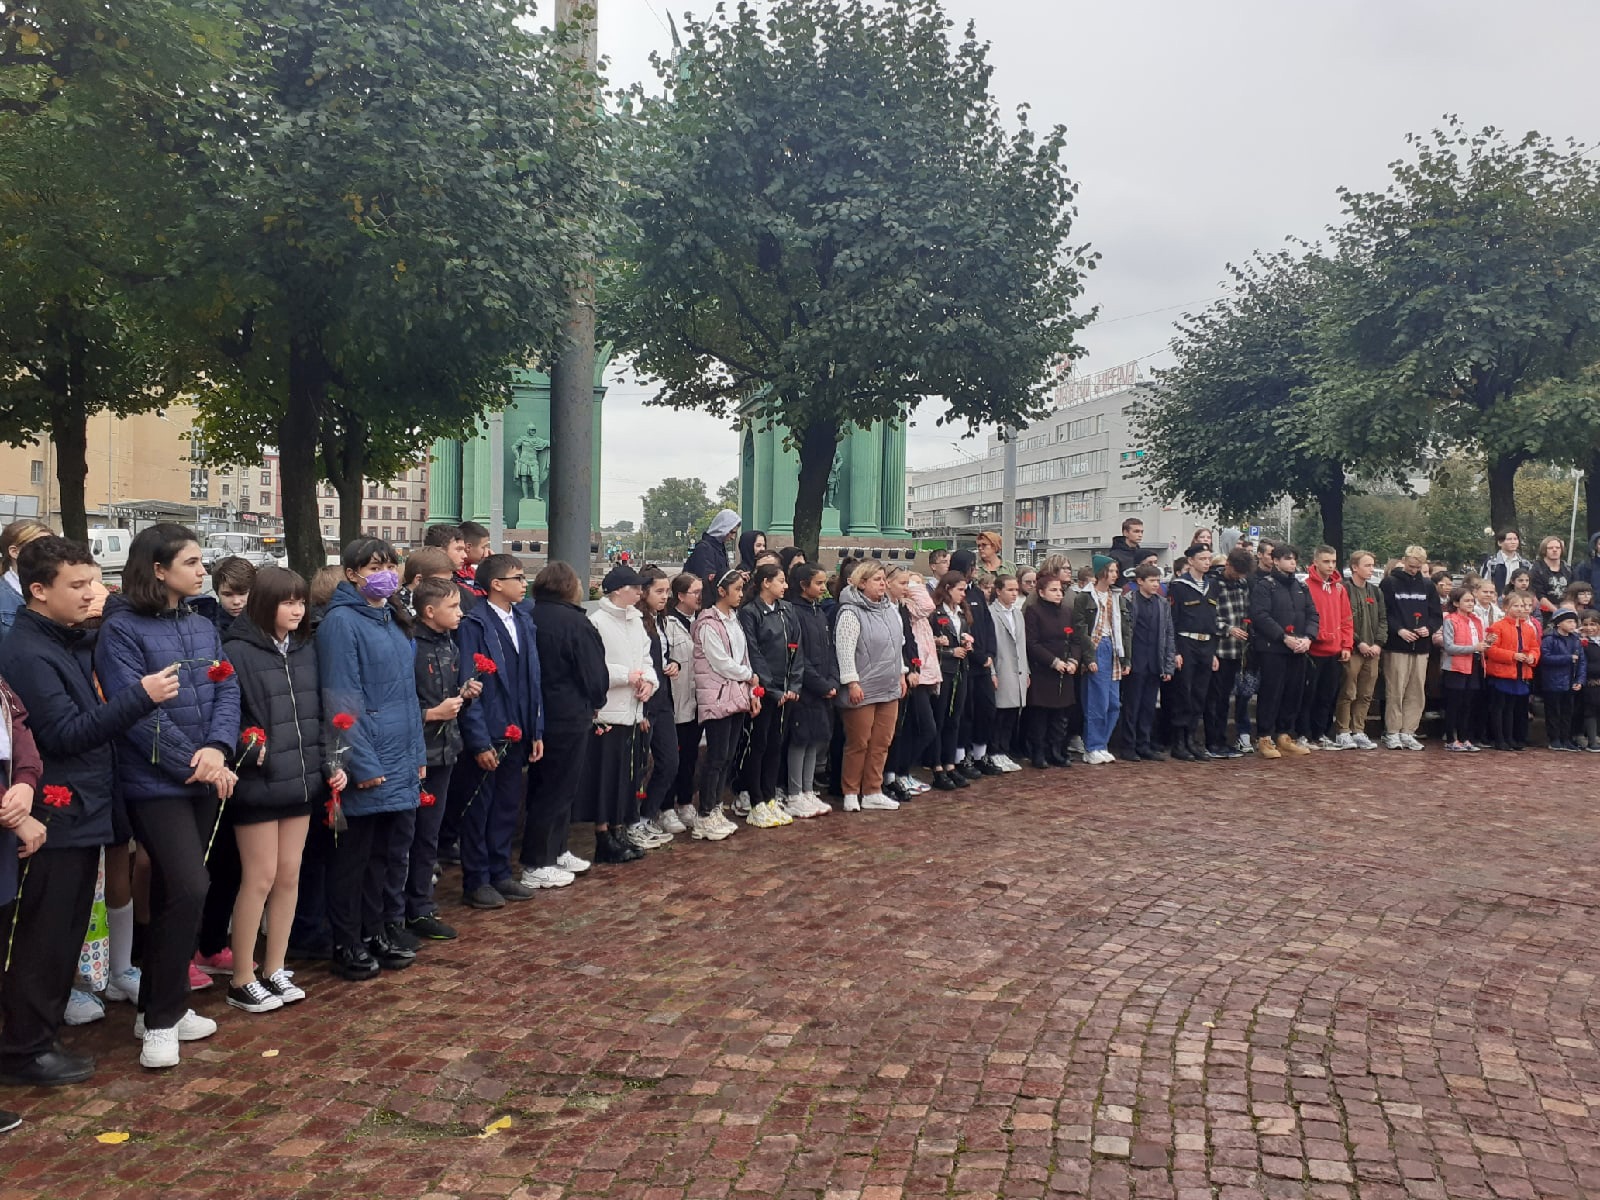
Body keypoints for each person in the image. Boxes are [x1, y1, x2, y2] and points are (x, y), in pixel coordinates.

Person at [0, 538, 173, 1088]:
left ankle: (39, 1037)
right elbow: (64, 734)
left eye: (93, 581)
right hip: (57, 813)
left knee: (65, 930)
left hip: (82, 807)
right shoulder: (28, 652)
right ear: (38, 590)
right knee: (45, 935)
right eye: (76, 585)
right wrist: (140, 696)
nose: (90, 593)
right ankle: (24, 1049)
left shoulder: (65, 639)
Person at [94, 524, 239, 1068]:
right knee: (189, 884)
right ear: (158, 569)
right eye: (192, 562)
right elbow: (134, 712)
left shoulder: (201, 623)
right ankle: (161, 1022)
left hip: (204, 773)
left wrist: (218, 748)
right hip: (153, 782)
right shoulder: (121, 629)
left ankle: (158, 1005)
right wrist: (192, 761)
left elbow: (226, 685)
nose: (203, 571)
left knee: (174, 892)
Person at [220, 566, 343, 1013]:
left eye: (301, 602)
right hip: (258, 782)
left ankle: (275, 967)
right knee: (260, 878)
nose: (297, 610)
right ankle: (242, 976)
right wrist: (249, 748)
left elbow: (320, 712)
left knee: (290, 875)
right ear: (265, 604)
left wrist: (331, 762)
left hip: (302, 779)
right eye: (287, 602)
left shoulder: (306, 649)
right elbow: (225, 715)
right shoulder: (235, 650)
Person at [315, 538, 425, 979]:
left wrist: (417, 754)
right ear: (352, 573)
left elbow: (407, 697)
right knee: (353, 859)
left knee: (383, 855)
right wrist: (362, 763)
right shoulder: (341, 623)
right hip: (369, 756)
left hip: (399, 752)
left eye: (390, 565)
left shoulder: (391, 618)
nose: (386, 573)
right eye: (375, 566)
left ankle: (375, 930)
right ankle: (347, 940)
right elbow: (342, 698)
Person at [456, 552, 546, 902]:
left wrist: (536, 729)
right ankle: (477, 880)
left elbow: (534, 679)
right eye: (518, 578)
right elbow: (469, 686)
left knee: (507, 805)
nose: (525, 584)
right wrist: (479, 741)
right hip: (490, 730)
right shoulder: (474, 625)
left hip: (518, 729)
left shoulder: (523, 620)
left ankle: (500, 871)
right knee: (479, 808)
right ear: (496, 584)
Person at [525, 562, 608, 878]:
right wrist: (597, 701)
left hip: (538, 712)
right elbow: (593, 672)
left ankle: (557, 850)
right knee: (559, 788)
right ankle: (538, 861)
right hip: (569, 713)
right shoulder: (575, 623)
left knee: (546, 786)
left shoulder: (528, 616)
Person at [403, 577, 475, 939]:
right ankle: (402, 908)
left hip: (445, 751)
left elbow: (445, 696)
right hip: (416, 754)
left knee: (428, 834)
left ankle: (420, 905)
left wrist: (464, 694)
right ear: (430, 611)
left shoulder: (449, 643)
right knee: (408, 835)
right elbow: (397, 703)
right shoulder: (410, 645)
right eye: (453, 607)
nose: (460, 613)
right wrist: (432, 714)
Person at [587, 564, 658, 860]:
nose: (640, 592)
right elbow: (594, 665)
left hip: (633, 708)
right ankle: (603, 834)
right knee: (606, 776)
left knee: (626, 776)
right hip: (608, 711)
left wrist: (649, 682)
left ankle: (619, 828)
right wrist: (625, 676)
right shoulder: (598, 621)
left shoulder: (636, 621)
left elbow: (646, 658)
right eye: (635, 587)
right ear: (618, 590)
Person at [834, 562, 906, 811]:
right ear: (862, 583)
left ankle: (873, 790)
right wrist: (852, 682)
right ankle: (850, 792)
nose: (883, 583)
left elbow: (898, 645)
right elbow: (844, 650)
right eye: (877, 579)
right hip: (862, 687)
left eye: (884, 579)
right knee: (859, 743)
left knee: (882, 742)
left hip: (889, 686)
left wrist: (902, 673)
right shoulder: (850, 612)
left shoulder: (890, 610)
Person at [691, 569, 755, 840]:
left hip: (736, 695)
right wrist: (747, 675)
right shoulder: (708, 623)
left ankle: (716, 807)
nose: (740, 594)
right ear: (721, 591)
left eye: (742, 589)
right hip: (717, 696)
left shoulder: (734, 620)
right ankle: (704, 813)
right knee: (716, 756)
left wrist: (751, 690)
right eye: (737, 589)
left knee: (728, 755)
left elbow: (744, 655)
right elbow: (720, 662)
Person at [737, 563, 802, 828]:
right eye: (781, 581)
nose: (785, 586)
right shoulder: (750, 613)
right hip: (764, 692)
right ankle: (755, 801)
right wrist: (772, 690)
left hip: (786, 693)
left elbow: (797, 649)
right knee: (759, 744)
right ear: (766, 582)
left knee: (776, 745)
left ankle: (769, 796)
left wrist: (794, 686)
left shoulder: (788, 610)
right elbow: (754, 653)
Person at [1248, 543, 1316, 760]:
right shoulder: (1265, 586)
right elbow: (1260, 616)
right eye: (1287, 558)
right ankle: (1264, 737)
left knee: (1293, 692)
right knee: (1271, 693)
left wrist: (1308, 637)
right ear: (1276, 561)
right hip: (1273, 649)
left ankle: (1284, 735)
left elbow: (1313, 615)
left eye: (1294, 558)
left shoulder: (1301, 587)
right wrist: (1283, 637)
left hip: (1298, 649)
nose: (1292, 562)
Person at [634, 567, 683, 841]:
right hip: (645, 701)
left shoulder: (660, 620)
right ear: (644, 592)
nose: (665, 596)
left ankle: (647, 815)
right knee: (639, 765)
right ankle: (632, 822)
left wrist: (672, 664)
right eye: (659, 591)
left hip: (663, 699)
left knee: (670, 761)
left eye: (667, 591)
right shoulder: (638, 622)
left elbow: (661, 656)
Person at [786, 564, 838, 818]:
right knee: (800, 739)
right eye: (818, 583)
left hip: (823, 687)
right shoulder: (794, 612)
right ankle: (795, 793)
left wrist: (833, 681)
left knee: (814, 739)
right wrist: (820, 684)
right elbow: (799, 657)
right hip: (805, 688)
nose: (823, 588)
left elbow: (829, 649)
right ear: (803, 585)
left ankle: (808, 790)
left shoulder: (819, 612)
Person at [1380, 545, 1441, 750]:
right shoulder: (1390, 583)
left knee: (1416, 690)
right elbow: (1385, 612)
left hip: (1421, 646)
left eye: (1418, 567)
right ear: (1404, 560)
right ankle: (1392, 731)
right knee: (1395, 690)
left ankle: (1408, 731)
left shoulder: (1428, 585)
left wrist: (1428, 628)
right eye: (1411, 565)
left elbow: (1436, 615)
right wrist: (1399, 630)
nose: (1414, 570)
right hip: (1397, 645)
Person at [1072, 557, 1130, 764]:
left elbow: (1124, 630)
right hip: (1096, 647)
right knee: (1097, 702)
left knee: (1113, 703)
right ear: (1101, 572)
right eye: (1111, 571)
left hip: (1113, 647)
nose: (1115, 575)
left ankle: (1102, 743)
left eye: (1116, 571)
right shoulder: (1085, 597)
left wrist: (1126, 659)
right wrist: (1089, 657)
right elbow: (1080, 629)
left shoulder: (1117, 597)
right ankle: (1092, 746)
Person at [1167, 545, 1220, 761]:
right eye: (1202, 558)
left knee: (1200, 694)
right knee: (1184, 693)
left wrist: (1213, 652)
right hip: (1186, 642)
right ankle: (1179, 742)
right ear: (1190, 561)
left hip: (1206, 644)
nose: (1207, 562)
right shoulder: (1179, 586)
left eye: (1209, 558)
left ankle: (1191, 738)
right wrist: (1175, 651)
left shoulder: (1212, 585)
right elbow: (1172, 620)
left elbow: (1212, 619)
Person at [1022, 574, 1080, 769]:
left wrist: (1073, 660)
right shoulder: (1034, 612)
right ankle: (1038, 752)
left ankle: (1056, 751)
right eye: (1053, 590)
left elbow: (1075, 640)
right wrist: (1053, 661)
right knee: (1041, 715)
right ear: (1041, 592)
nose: (1058, 593)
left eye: (1060, 590)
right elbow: (1032, 643)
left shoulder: (1067, 612)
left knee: (1060, 715)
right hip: (1043, 669)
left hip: (1065, 668)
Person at [1300, 545, 1354, 751]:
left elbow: (1346, 619)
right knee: (1308, 695)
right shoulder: (1305, 586)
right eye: (1326, 561)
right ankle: (1304, 733)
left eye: (1333, 561)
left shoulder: (1339, 589)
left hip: (1334, 651)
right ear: (1315, 562)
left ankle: (1320, 733)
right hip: (1313, 650)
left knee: (1328, 695)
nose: (1331, 566)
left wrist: (1346, 644)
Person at [1334, 550, 1387, 751]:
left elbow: (1383, 619)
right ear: (1355, 567)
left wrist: (1378, 643)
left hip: (1373, 650)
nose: (1371, 569)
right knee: (1348, 691)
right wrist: (1358, 642)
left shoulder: (1375, 591)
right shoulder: (1344, 589)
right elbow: (1342, 619)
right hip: (1353, 649)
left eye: (1373, 565)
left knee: (1366, 693)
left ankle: (1359, 730)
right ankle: (1343, 731)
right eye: (1367, 565)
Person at [662, 573, 702, 831]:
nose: (700, 596)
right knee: (671, 758)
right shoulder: (668, 623)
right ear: (680, 596)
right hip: (675, 701)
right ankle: (665, 807)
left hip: (696, 701)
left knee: (690, 755)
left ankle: (686, 802)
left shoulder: (701, 621)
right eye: (695, 592)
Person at [1204, 547, 1253, 759]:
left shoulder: (1243, 584)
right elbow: (1207, 616)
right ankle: (1212, 741)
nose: (1239, 577)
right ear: (1228, 565)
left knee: (1225, 698)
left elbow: (1246, 611)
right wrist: (1228, 629)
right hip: (1220, 649)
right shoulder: (1214, 585)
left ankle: (1222, 740)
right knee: (1214, 699)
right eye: (1237, 572)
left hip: (1237, 651)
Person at [1123, 564, 1175, 761]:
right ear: (1140, 581)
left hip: (1154, 662)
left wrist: (1168, 664)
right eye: (1152, 581)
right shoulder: (1129, 601)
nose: (1156, 585)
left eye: (1158, 581)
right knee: (1132, 706)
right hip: (1135, 662)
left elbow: (1168, 634)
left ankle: (1144, 744)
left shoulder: (1162, 603)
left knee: (1148, 706)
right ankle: (1128, 745)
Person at [929, 571, 973, 790]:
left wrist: (967, 644)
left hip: (960, 670)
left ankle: (950, 763)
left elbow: (964, 635)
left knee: (954, 718)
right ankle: (937, 766)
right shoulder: (935, 613)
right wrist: (948, 651)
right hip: (943, 670)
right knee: (940, 717)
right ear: (948, 589)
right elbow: (928, 644)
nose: (963, 594)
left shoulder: (961, 614)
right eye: (960, 590)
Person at [1484, 592, 1540, 751]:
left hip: (1520, 672)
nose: (1519, 609)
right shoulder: (1498, 626)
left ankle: (1510, 738)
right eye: (1515, 606)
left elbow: (1535, 647)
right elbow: (1491, 650)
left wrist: (1532, 657)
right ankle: (1499, 738)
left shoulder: (1528, 628)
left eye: (1521, 606)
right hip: (1502, 673)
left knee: (1511, 708)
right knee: (1499, 707)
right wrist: (1512, 655)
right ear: (1506, 608)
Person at [1439, 585, 1490, 753]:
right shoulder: (1450, 620)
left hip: (1474, 664)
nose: (1470, 604)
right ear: (1456, 603)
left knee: (1468, 704)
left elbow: (1479, 643)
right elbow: (1450, 647)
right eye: (1466, 601)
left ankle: (1464, 737)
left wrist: (1487, 643)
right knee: (1454, 704)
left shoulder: (1476, 620)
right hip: (1456, 666)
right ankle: (1451, 738)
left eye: (1472, 601)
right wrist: (1474, 647)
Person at [988, 573, 1028, 772]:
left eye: (1016, 590)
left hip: (1018, 669)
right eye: (1009, 590)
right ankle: (994, 752)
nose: (1014, 594)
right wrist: (992, 672)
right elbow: (990, 645)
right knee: (999, 713)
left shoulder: (1018, 614)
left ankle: (1004, 751)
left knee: (1012, 713)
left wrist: (1026, 671)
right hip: (1001, 667)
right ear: (998, 591)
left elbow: (1022, 645)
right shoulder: (991, 613)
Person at [1539, 607, 1586, 751]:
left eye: (1574, 622)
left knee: (1567, 712)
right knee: (1553, 712)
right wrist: (1567, 658)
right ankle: (1554, 739)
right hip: (1553, 682)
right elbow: (1545, 658)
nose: (1573, 625)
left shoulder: (1575, 640)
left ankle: (1566, 738)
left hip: (1570, 682)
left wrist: (1580, 680)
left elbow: (1582, 662)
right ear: (1559, 623)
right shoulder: (1549, 639)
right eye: (1569, 621)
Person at [0, 519, 53, 644]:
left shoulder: (57, 590)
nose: (49, 553)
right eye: (39, 547)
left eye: (51, 547)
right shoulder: (3, 595)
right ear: (14, 552)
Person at [683, 509, 740, 607]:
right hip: (702, 603)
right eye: (731, 532)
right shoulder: (704, 548)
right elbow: (708, 578)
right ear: (722, 528)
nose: (732, 537)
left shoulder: (719, 547)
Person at [1479, 529, 1532, 595]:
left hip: (1519, 599)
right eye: (1509, 539)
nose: (1513, 542)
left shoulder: (1525, 564)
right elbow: (1484, 584)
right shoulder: (1491, 563)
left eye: (1515, 539)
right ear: (1499, 543)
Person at [1529, 537, 1572, 617]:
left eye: (1558, 548)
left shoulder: (1568, 569)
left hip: (1566, 610)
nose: (1554, 550)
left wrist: (1566, 610)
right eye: (1550, 548)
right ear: (1544, 550)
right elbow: (1539, 595)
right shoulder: (1536, 570)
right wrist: (1557, 612)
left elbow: (1572, 592)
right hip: (1543, 614)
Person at [1578, 610, 1600, 751]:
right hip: (1590, 682)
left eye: (1593, 624)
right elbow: (1584, 664)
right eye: (1585, 624)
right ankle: (1592, 740)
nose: (1589, 628)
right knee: (1590, 710)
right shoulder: (1582, 643)